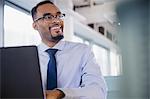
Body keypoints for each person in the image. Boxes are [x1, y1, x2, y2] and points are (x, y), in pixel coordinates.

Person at [31, 0, 107, 99]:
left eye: (59, 16)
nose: (57, 21)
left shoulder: (82, 51)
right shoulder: (29, 58)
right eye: (48, 17)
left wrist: (61, 93)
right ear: (35, 25)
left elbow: (98, 91)